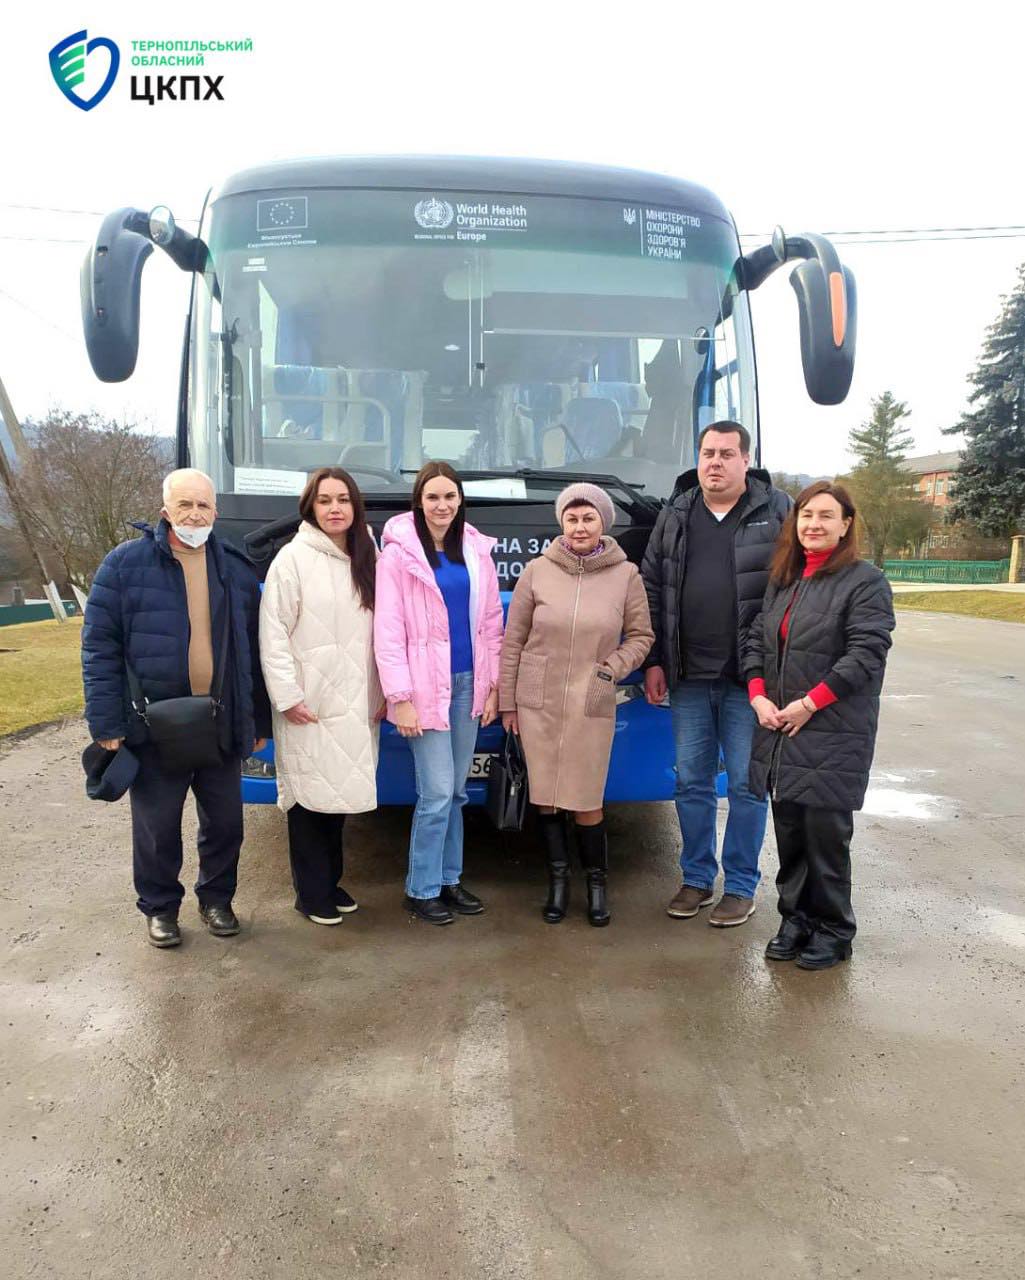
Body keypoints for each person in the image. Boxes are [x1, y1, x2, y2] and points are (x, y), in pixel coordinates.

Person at [82, 469, 271, 948]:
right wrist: (106, 722)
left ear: (215, 512)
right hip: (154, 725)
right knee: (157, 827)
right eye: (184, 505)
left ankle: (217, 899)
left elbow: (254, 649)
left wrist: (258, 721)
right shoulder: (124, 566)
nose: (194, 514)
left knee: (226, 823)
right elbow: (99, 647)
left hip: (221, 722)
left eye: (203, 505)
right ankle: (161, 909)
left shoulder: (233, 567)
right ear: (165, 511)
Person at [642, 420, 791, 927]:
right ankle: (697, 879)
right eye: (708, 452)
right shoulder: (676, 512)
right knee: (692, 783)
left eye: (727, 453)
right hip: (688, 678)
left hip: (750, 683)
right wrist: (655, 660)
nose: (716, 462)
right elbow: (653, 587)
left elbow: (797, 587)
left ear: (746, 460)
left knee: (749, 787)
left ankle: (742, 885)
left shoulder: (777, 512)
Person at [744, 482, 895, 969]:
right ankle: (795, 920)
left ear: (846, 524)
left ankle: (834, 930)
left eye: (827, 516)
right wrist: (758, 695)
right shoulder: (784, 579)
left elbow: (867, 653)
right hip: (780, 729)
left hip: (830, 730)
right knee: (789, 835)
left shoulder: (865, 581)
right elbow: (756, 642)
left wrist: (810, 703)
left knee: (825, 837)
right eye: (807, 514)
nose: (814, 524)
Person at [500, 483, 654, 926]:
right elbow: (513, 641)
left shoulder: (626, 575)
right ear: (561, 523)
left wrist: (612, 667)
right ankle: (557, 882)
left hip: (592, 697)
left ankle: (597, 884)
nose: (579, 526)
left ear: (603, 523)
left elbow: (642, 636)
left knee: (587, 799)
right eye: (572, 518)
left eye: (588, 518)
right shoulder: (537, 571)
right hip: (538, 700)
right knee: (546, 799)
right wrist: (508, 701)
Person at [374, 462, 504, 925]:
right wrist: (400, 697)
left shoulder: (477, 551)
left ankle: (450, 879)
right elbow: (387, 633)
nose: (442, 505)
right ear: (419, 502)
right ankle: (421, 888)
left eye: (450, 497)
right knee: (434, 793)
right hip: (423, 689)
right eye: (433, 497)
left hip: (469, 685)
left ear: (460, 500)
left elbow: (492, 626)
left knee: (457, 793)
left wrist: (492, 689)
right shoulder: (397, 557)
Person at [259, 468, 383, 926]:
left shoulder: (368, 554)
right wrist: (287, 697)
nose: (335, 509)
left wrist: (386, 689)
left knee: (340, 799)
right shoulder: (292, 561)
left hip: (357, 701)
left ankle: (330, 882)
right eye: (325, 500)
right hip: (310, 704)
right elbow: (272, 634)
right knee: (309, 801)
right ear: (310, 507)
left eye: (343, 500)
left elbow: (385, 631)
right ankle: (309, 894)